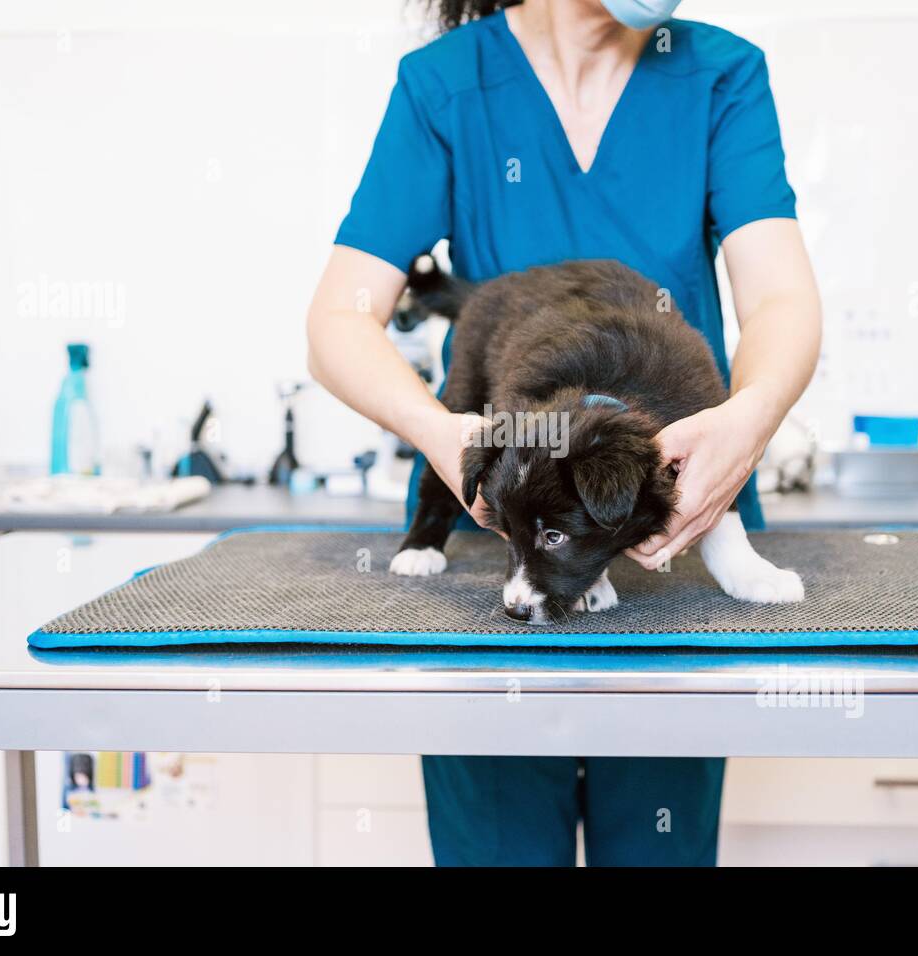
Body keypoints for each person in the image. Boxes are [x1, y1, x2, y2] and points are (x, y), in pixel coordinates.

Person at [306, 0, 821, 866]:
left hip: (686, 512)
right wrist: (441, 432)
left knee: (658, 845)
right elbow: (337, 321)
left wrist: (751, 416)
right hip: (494, 513)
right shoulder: (447, 85)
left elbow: (780, 298)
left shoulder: (719, 74)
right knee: (499, 846)